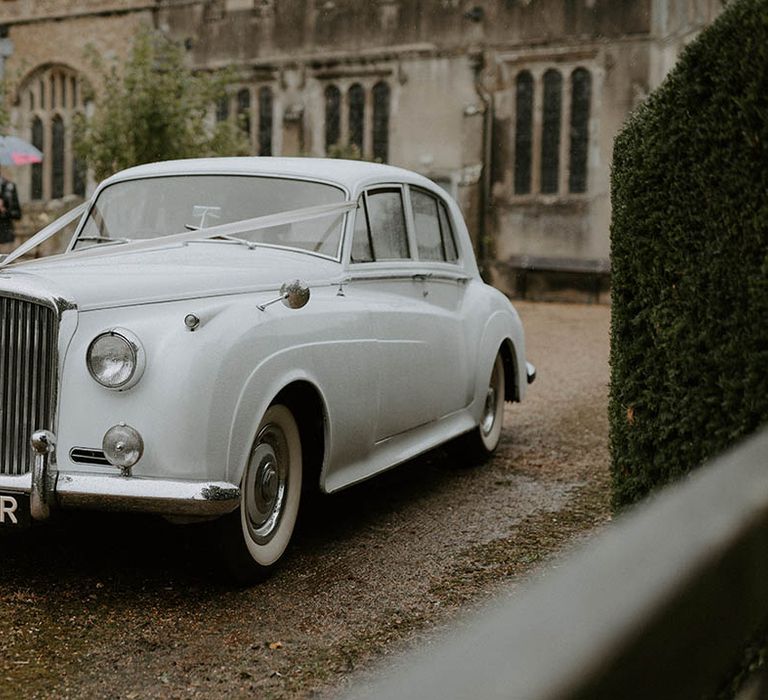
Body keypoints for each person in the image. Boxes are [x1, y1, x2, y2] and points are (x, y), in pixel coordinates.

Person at [0, 170, 22, 254]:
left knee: (5, 263)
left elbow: (17, 214)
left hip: (5, 234)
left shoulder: (9, 187)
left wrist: (4, 210)